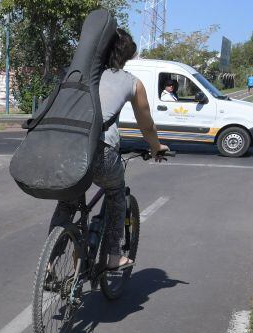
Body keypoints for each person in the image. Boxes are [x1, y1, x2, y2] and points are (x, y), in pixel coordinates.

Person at [50, 28, 169, 271]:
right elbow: (146, 125)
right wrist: (157, 147)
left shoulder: (74, 74)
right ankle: (114, 254)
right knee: (116, 192)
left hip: (65, 149)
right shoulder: (131, 82)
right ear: (126, 57)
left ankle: (50, 264)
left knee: (67, 203)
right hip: (101, 152)